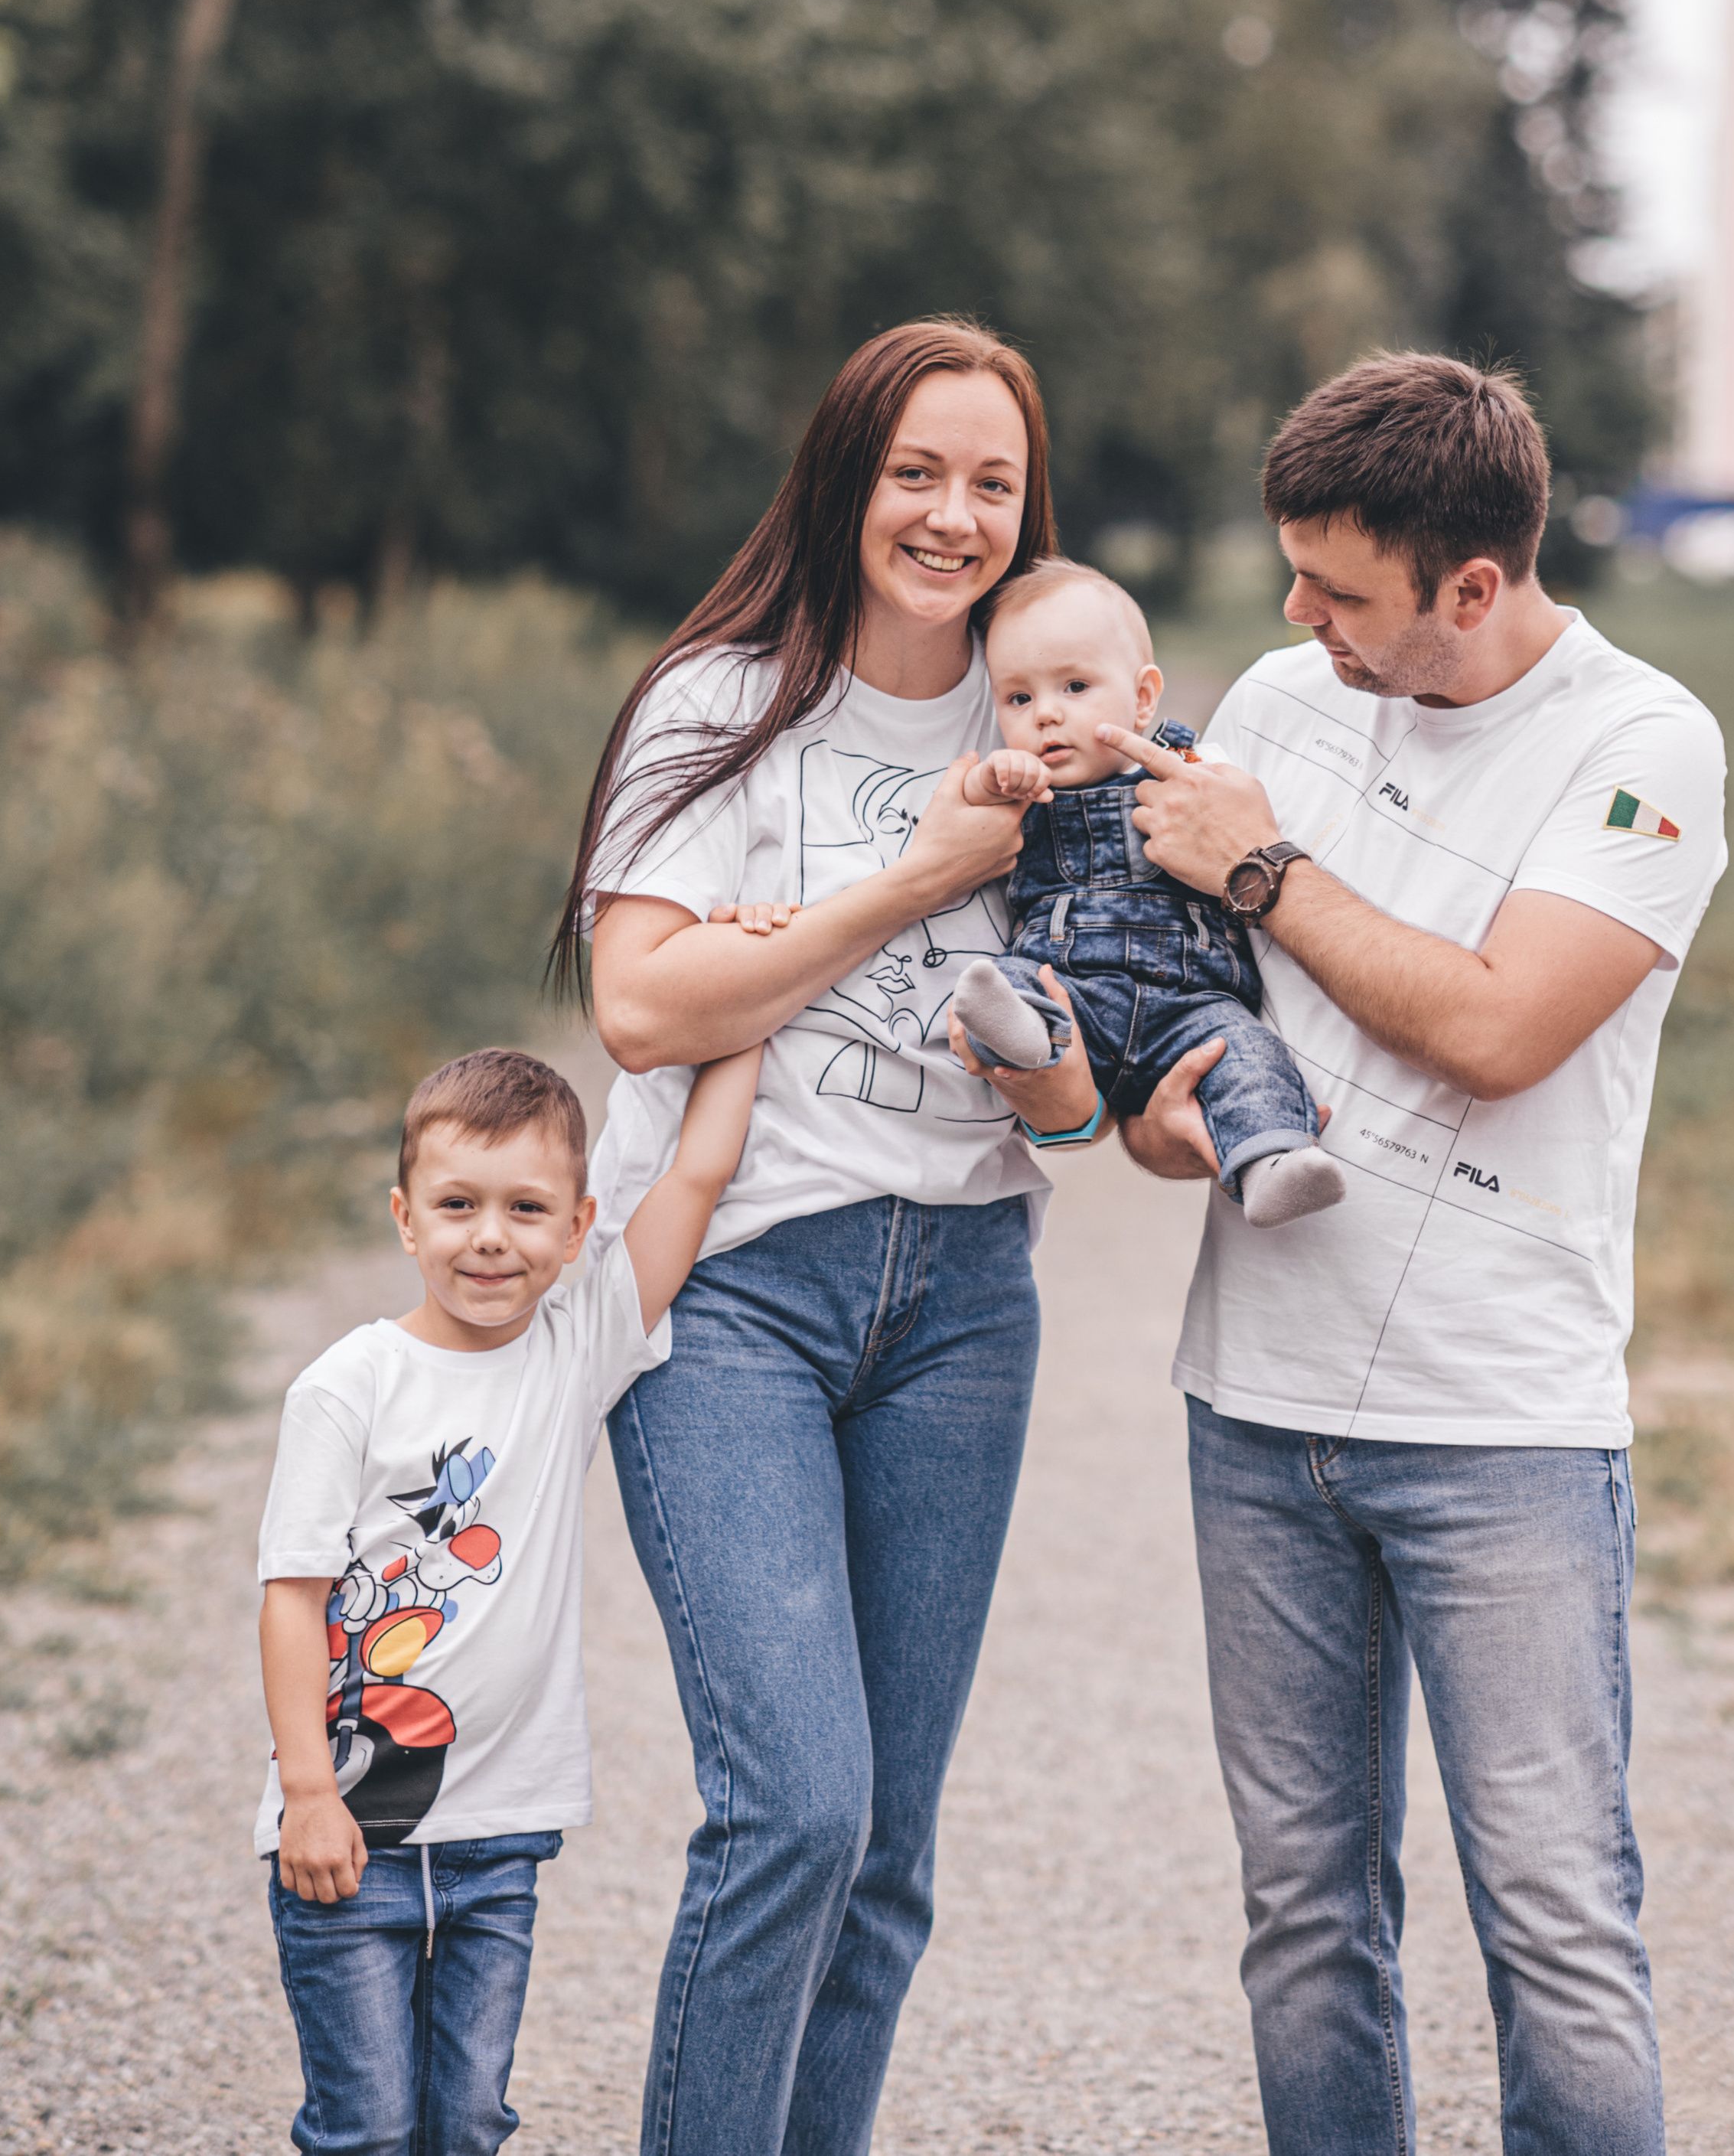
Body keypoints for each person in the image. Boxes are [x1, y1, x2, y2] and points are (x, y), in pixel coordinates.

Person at [1045, 352, 1723, 2156]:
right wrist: (1155, 1112)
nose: (1293, 616)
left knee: (1553, 1924)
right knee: (1303, 1916)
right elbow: (1184, 1017)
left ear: (1470, 586)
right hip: (1251, 1404)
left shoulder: (1638, 741)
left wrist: (1264, 868)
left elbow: (1501, 1028)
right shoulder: (1278, 694)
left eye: (1338, 588)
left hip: (1496, 1419)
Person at [550, 316, 1099, 2156]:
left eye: (991, 483)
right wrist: (919, 879)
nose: (951, 515)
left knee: (884, 1852)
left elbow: (1091, 1056)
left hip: (963, 1304)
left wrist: (1059, 1069)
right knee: (792, 1800)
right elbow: (641, 1002)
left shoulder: (1045, 719)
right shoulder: (719, 703)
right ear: (844, 477)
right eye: (915, 471)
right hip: (726, 1295)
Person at [254, 1041, 759, 2156]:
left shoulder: (576, 1348)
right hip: (354, 1830)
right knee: (369, 2128)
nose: (490, 1234)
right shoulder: (350, 1384)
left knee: (471, 2121)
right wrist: (304, 1791)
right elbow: (291, 1596)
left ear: (578, 1229)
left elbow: (696, 1174)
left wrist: (747, 1001)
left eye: (528, 1207)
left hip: (500, 1836)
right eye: (457, 1202)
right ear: (405, 1217)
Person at [947, 556, 1345, 1225]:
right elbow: (961, 820)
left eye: (1074, 686)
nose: (1046, 715)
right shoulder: (1021, 789)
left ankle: (1274, 1161)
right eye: (1019, 698)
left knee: (1249, 1057)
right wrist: (991, 783)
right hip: (1075, 994)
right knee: (1012, 984)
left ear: (1142, 697)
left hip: (1194, 1005)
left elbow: (1244, 821)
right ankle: (1020, 1035)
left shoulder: (1193, 772)